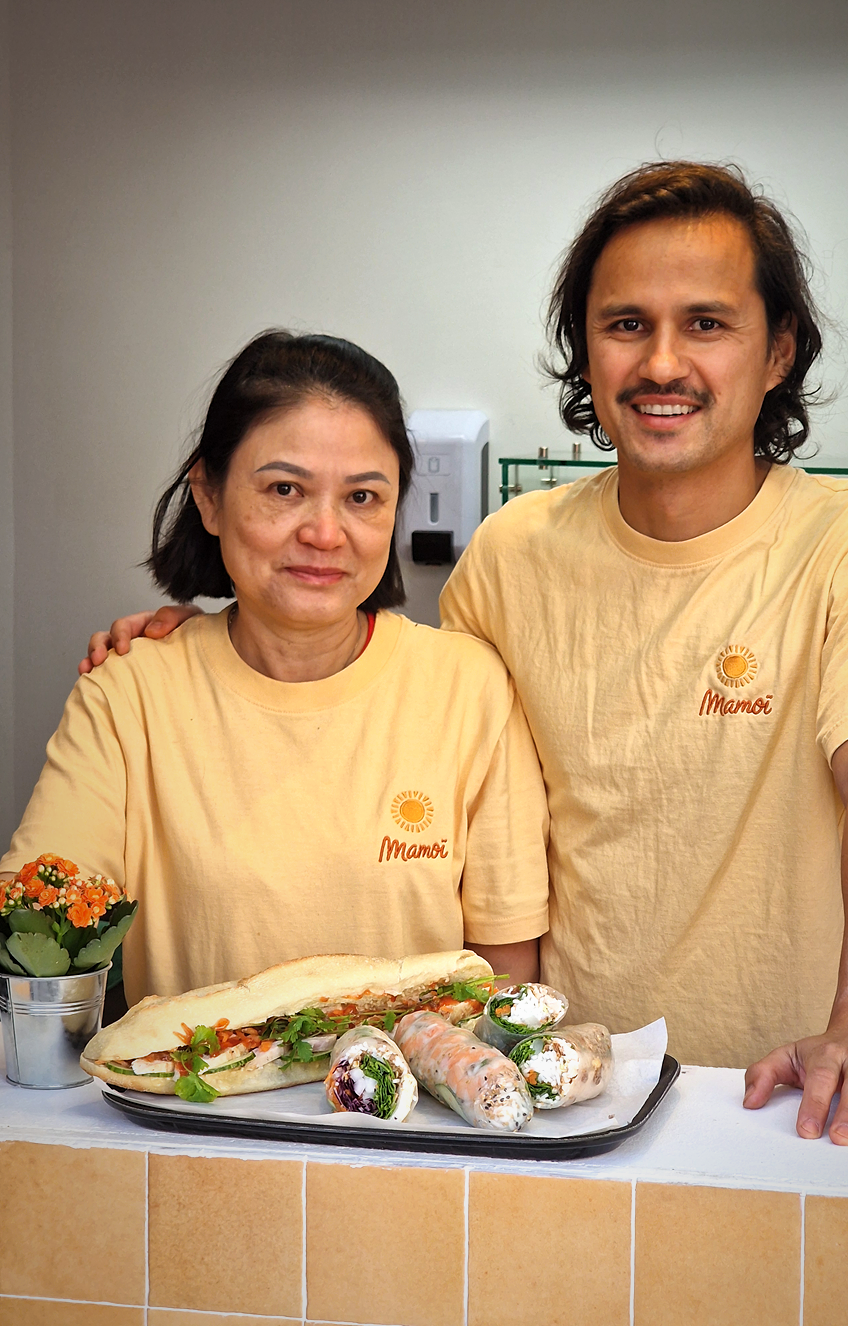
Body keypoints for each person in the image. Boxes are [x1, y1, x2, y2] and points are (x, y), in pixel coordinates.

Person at [83, 162, 848, 1146]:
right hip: (553, 1103)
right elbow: (410, 733)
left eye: (706, 323)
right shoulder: (511, 555)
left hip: (783, 1097)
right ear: (585, 347)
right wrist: (202, 646)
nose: (662, 361)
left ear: (778, 350)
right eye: (625, 324)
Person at [2, 331, 549, 1007]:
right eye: (285, 489)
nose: (325, 532)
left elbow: (505, 981)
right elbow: (37, 923)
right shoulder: (128, 693)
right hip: (195, 1075)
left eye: (362, 497)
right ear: (208, 495)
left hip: (413, 1078)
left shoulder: (470, 690)